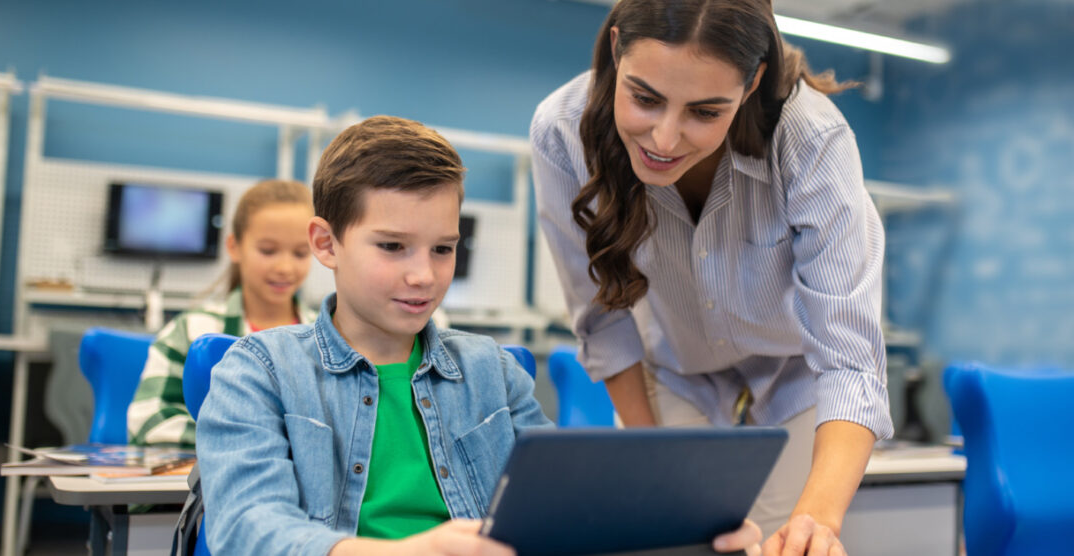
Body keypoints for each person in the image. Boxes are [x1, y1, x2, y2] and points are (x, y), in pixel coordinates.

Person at [194, 116, 763, 556]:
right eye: (393, 247)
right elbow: (248, 527)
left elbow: (560, 510)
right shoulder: (257, 370)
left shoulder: (492, 371)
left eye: (443, 248)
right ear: (326, 244)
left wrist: (693, 526)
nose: (424, 274)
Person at [530, 0, 893, 554]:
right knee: (670, 541)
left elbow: (850, 359)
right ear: (617, 48)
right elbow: (604, 323)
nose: (665, 138)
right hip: (675, 373)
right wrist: (653, 471)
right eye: (644, 98)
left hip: (796, 378)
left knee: (784, 542)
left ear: (750, 84)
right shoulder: (561, 131)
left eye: (704, 111)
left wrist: (817, 522)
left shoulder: (812, 140)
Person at [127, 179, 319, 447]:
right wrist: (253, 438)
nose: (285, 267)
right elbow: (148, 422)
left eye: (300, 253)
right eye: (268, 250)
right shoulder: (191, 330)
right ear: (234, 247)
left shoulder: (329, 337)